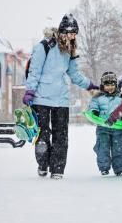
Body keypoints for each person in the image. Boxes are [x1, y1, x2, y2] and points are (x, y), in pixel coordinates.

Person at [23, 14, 99, 180]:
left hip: (61, 99)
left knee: (61, 135)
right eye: (72, 33)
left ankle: (57, 168)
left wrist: (90, 85)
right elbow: (34, 71)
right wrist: (30, 91)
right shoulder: (44, 46)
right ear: (64, 31)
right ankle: (43, 164)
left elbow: (74, 74)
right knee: (42, 135)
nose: (74, 37)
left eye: (75, 34)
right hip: (41, 98)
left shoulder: (70, 49)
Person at [88, 72, 122, 177]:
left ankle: (120, 169)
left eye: (112, 85)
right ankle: (104, 167)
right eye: (107, 85)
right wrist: (94, 111)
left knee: (118, 149)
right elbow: (92, 106)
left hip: (118, 127)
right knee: (102, 148)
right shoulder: (97, 97)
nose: (110, 87)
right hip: (103, 127)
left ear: (116, 85)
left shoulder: (121, 97)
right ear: (103, 86)